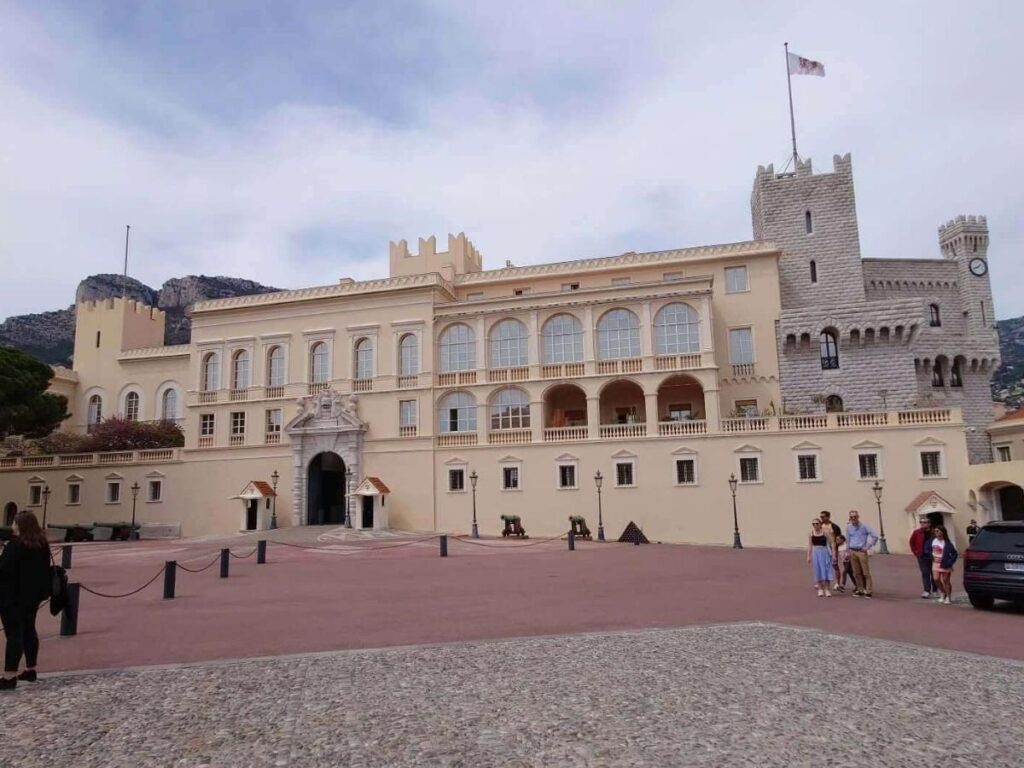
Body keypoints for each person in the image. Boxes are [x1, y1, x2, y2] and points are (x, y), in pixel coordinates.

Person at [0, 511, 52, 691]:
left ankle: (9, 676)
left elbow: (4, 571)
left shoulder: (14, 546)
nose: (12, 525)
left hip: (12, 597)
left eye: (14, 522)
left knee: (14, 634)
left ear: (20, 525)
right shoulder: (42, 544)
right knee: (29, 629)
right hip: (33, 597)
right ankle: (30, 669)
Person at [845, 510, 878, 598]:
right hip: (852, 551)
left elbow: (875, 536)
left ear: (858, 517)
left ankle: (868, 591)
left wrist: (867, 547)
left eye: (855, 517)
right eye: (851, 517)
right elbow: (848, 539)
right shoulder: (848, 527)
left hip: (861, 551)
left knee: (865, 572)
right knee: (856, 572)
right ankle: (860, 590)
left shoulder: (864, 526)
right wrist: (847, 551)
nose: (853, 519)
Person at [926, 525, 958, 604]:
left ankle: (948, 597)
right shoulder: (932, 540)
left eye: (939, 531)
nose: (937, 533)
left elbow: (954, 553)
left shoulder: (947, 542)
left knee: (945, 581)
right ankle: (943, 592)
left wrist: (950, 562)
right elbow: (927, 548)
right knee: (936, 579)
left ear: (943, 532)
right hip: (935, 563)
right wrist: (930, 555)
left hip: (945, 564)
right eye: (936, 531)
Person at [909, 515, 935, 599]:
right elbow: (912, 542)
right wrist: (915, 552)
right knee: (925, 572)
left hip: (933, 556)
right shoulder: (917, 532)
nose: (923, 524)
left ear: (929, 524)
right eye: (921, 522)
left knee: (934, 573)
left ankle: (935, 590)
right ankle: (927, 590)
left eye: (925, 522)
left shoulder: (934, 532)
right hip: (922, 556)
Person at [806, 518, 833, 597]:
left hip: (824, 552)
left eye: (817, 523)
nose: (815, 525)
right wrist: (808, 556)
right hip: (816, 553)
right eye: (813, 524)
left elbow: (831, 542)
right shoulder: (811, 533)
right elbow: (810, 545)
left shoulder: (825, 532)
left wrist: (833, 553)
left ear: (820, 524)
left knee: (826, 570)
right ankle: (820, 589)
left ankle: (827, 589)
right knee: (818, 570)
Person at [819, 511, 843, 588]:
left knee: (834, 565)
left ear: (828, 517)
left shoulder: (835, 527)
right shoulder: (820, 525)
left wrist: (836, 548)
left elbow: (839, 539)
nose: (821, 518)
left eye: (823, 517)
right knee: (822, 566)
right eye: (821, 517)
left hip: (832, 548)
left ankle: (838, 583)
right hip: (823, 548)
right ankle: (822, 582)